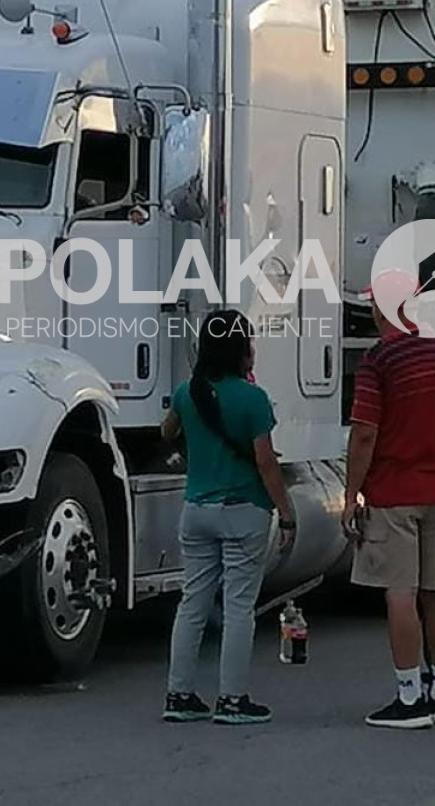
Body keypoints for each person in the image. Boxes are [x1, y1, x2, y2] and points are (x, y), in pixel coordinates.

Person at [343, 275, 435, 730]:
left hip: (395, 492)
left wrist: (350, 495)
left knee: (401, 592)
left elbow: (364, 434)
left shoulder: (380, 359)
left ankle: (409, 696)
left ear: (382, 310)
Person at [161, 310, 296, 725]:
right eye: (250, 341)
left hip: (196, 510)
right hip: (242, 512)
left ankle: (179, 695)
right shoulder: (253, 399)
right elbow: (266, 463)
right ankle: (233, 700)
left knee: (192, 603)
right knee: (239, 607)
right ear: (240, 349)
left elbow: (167, 432)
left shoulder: (188, 392)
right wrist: (287, 514)